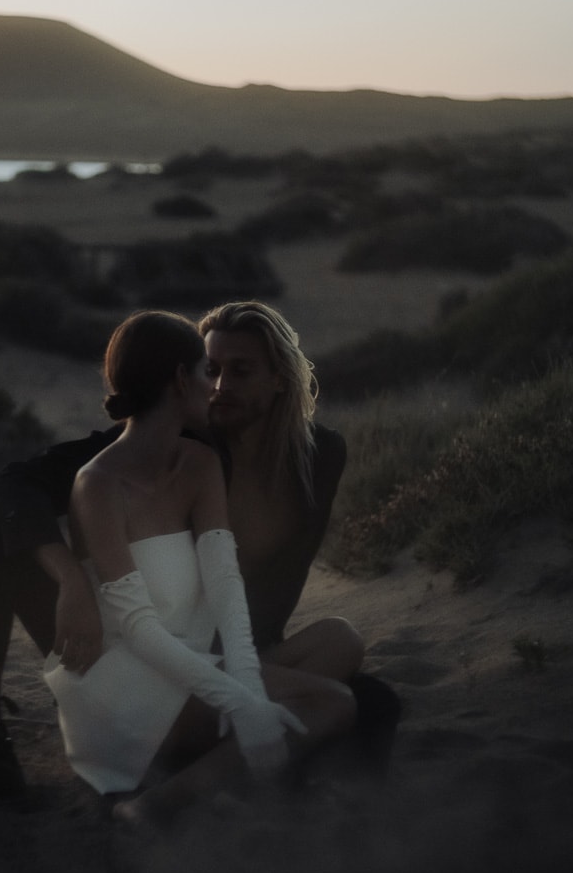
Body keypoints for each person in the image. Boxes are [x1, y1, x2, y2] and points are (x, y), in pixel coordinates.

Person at [0, 301, 397, 824]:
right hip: (121, 639)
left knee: (370, 695)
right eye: (213, 370)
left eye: (241, 371)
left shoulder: (319, 457)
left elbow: (268, 585)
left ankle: (306, 793)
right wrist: (69, 579)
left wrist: (246, 668)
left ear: (281, 379)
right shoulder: (172, 442)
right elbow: (14, 484)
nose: (222, 385)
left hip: (237, 645)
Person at [42, 310, 355, 824]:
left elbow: (224, 584)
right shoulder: (96, 484)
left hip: (192, 667)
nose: (217, 387)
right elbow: (136, 628)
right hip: (129, 681)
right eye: (208, 371)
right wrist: (240, 700)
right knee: (333, 704)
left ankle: (231, 771)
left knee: (340, 641)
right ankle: (153, 808)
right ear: (181, 380)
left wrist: (245, 686)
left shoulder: (199, 463)